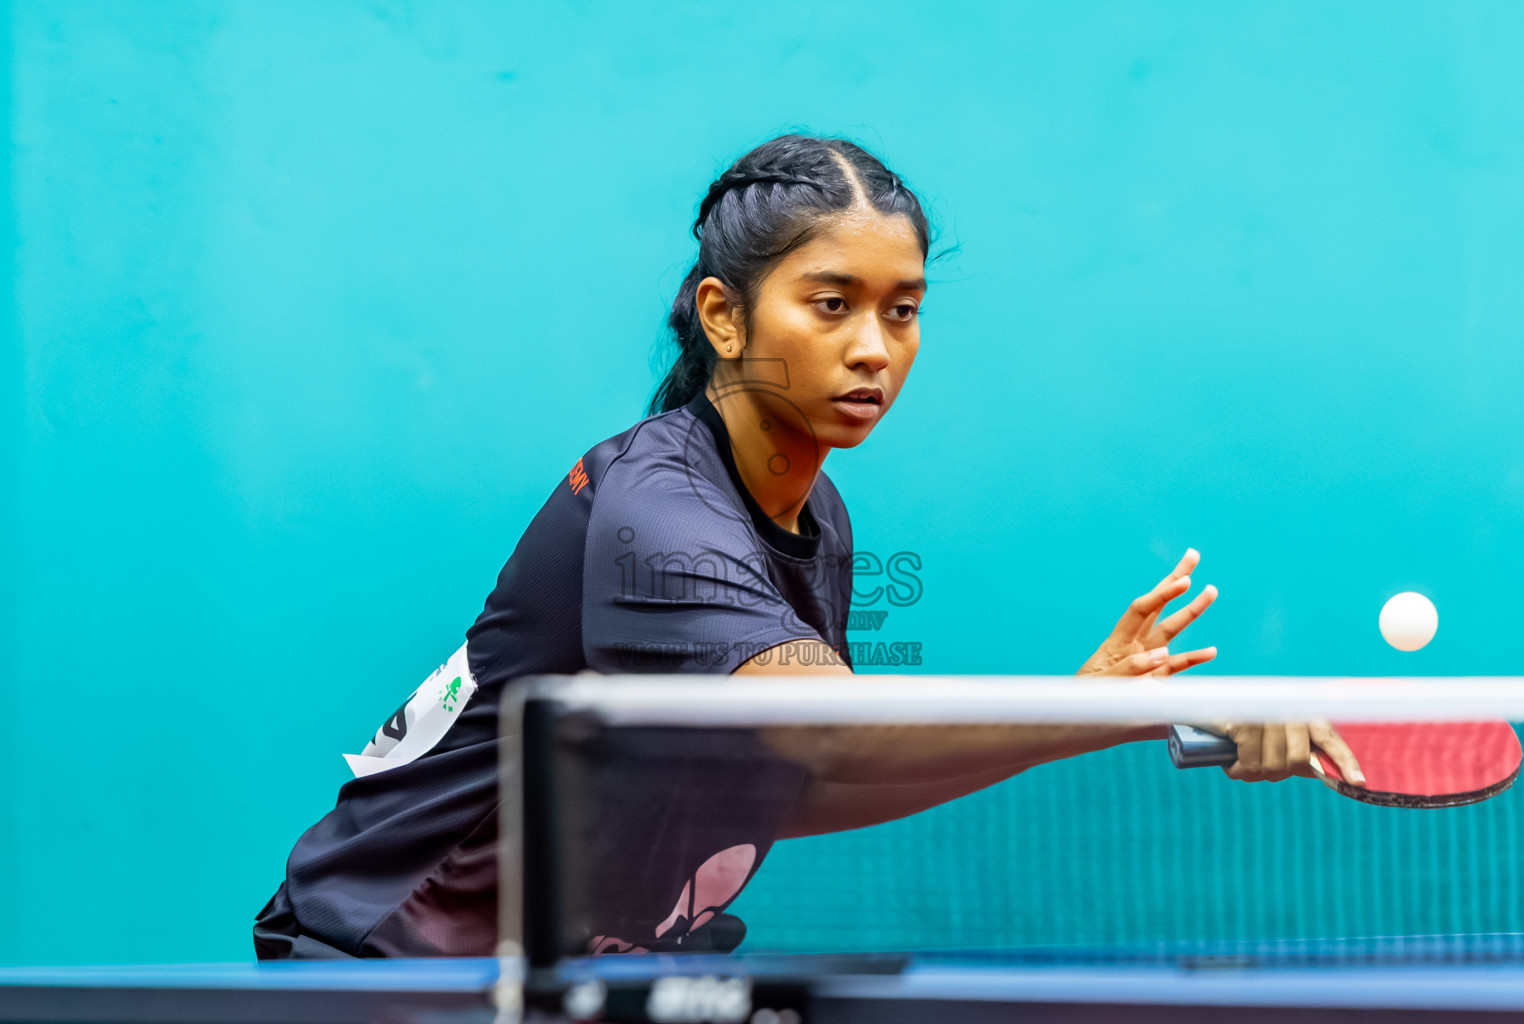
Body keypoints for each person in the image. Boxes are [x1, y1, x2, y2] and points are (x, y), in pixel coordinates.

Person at [254, 133, 1363, 960]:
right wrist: (1114, 708)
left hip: (579, 971)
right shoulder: (656, 512)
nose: (874, 348)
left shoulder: (814, 517)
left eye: (903, 309)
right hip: (397, 964)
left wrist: (1100, 712)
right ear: (725, 318)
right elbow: (825, 739)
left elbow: (781, 780)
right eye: (830, 304)